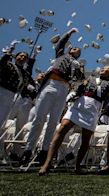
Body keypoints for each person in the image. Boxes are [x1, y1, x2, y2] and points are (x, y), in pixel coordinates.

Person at [20, 28, 84, 165]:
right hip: (52, 83)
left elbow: (79, 79)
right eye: (74, 48)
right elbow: (60, 44)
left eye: (78, 50)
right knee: (39, 118)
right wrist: (69, 33)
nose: (75, 49)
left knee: (54, 121)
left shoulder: (78, 64)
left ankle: (44, 151)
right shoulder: (61, 55)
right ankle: (28, 149)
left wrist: (79, 69)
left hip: (64, 88)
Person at [38, 66, 109, 175]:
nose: (103, 69)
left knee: (85, 139)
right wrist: (74, 93)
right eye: (102, 68)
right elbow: (80, 87)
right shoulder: (90, 78)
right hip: (80, 104)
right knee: (62, 128)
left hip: (93, 108)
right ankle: (47, 163)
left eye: (107, 69)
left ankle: (78, 166)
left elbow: (108, 99)